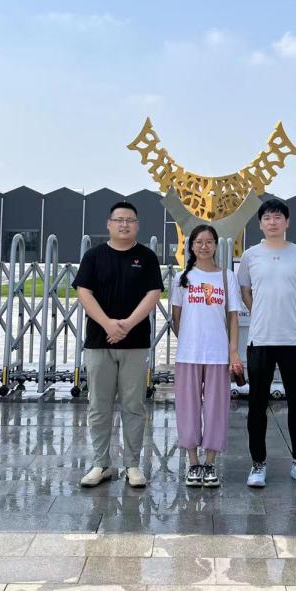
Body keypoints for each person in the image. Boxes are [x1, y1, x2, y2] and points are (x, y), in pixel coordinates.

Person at [74, 201, 163, 489]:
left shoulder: (146, 257)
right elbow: (84, 292)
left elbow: (153, 294)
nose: (124, 224)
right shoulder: (94, 256)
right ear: (109, 224)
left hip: (135, 343)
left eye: (130, 220)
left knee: (133, 405)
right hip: (99, 342)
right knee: (99, 406)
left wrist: (126, 325)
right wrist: (108, 324)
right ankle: (101, 464)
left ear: (137, 225)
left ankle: (132, 465)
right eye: (119, 219)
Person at [237, 198, 296, 488]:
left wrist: (293, 314)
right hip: (260, 339)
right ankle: (258, 463)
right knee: (257, 403)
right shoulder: (250, 256)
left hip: (293, 339)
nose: (273, 222)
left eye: (278, 217)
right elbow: (245, 291)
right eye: (267, 218)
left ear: (287, 222)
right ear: (260, 224)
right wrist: (260, 312)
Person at [171, 224, 243, 488]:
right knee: (187, 407)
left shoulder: (226, 277)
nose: (204, 246)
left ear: (215, 245)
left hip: (218, 354)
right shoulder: (182, 278)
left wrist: (232, 351)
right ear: (191, 246)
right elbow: (176, 319)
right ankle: (193, 463)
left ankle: (210, 463)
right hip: (188, 353)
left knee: (216, 408)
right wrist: (191, 339)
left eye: (209, 242)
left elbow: (233, 317)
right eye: (199, 242)